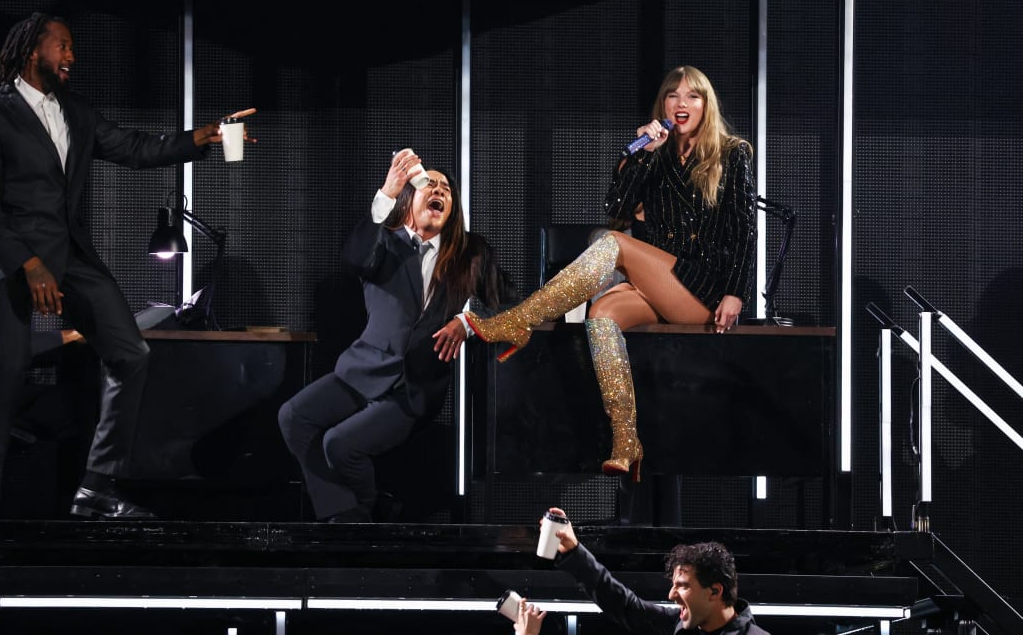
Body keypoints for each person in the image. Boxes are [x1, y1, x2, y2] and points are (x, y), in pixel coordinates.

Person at [0, 11, 255, 520]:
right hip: (9, 259)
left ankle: (96, 486)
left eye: (72, 48)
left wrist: (203, 137)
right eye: (63, 46)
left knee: (131, 354)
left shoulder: (76, 110)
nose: (72, 56)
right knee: (8, 372)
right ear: (32, 50)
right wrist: (28, 263)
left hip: (69, 256)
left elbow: (134, 147)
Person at [465, 65, 757, 481]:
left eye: (693, 96)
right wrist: (640, 156)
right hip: (660, 283)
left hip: (703, 287)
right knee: (600, 317)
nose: (681, 103)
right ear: (663, 105)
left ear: (706, 105)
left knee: (615, 246)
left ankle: (519, 320)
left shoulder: (733, 153)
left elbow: (747, 229)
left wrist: (736, 293)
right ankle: (626, 442)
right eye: (673, 95)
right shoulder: (653, 155)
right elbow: (616, 210)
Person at [277, 149, 518, 523]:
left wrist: (469, 321)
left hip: (414, 386)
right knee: (294, 416)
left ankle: (359, 512)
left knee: (340, 445)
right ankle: (349, 513)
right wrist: (387, 192)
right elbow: (354, 260)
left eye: (446, 189)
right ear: (408, 199)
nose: (438, 190)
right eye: (429, 184)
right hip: (363, 371)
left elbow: (509, 304)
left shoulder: (472, 252)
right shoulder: (384, 242)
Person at [544, 507, 770, 635]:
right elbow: (623, 604)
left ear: (714, 591)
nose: (671, 595)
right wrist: (574, 551)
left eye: (682, 585)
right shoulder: (678, 625)